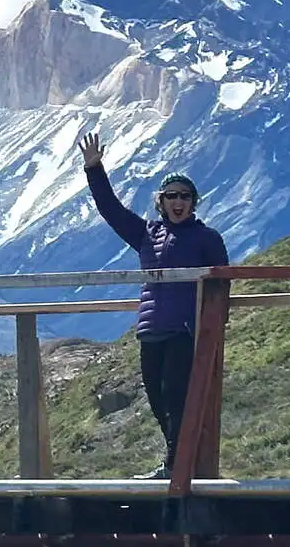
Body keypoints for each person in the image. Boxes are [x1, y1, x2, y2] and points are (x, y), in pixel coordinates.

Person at [78, 130, 229, 480]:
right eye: (171, 196)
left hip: (185, 329)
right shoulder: (146, 233)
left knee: (176, 395)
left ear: (194, 202)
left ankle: (179, 466)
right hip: (151, 330)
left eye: (185, 196)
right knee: (158, 400)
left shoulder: (207, 238)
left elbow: (222, 283)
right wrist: (94, 169)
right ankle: (177, 461)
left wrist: (215, 325)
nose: (178, 202)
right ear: (160, 201)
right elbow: (111, 210)